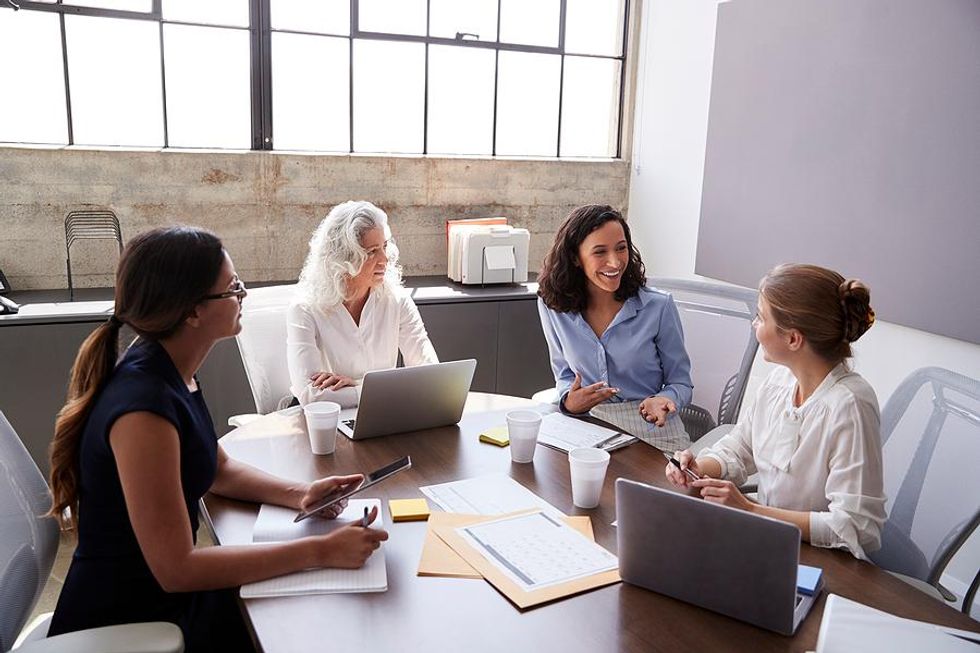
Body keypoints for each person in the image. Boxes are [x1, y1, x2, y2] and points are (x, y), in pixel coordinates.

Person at [47, 226, 388, 651]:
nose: (242, 294)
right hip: (132, 617)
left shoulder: (173, 371)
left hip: (165, 599)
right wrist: (319, 551)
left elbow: (216, 467)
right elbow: (178, 569)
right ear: (192, 311)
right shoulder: (143, 410)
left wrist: (301, 494)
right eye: (232, 288)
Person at [666, 263, 886, 560]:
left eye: (760, 317)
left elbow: (856, 526)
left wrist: (751, 510)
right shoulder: (779, 382)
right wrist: (698, 468)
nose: (754, 325)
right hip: (768, 540)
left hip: (820, 559)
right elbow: (741, 447)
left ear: (793, 339)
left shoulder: (850, 406)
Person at [536, 204, 693, 429]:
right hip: (587, 425)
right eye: (600, 252)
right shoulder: (552, 306)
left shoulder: (658, 307)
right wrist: (569, 402)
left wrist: (665, 398)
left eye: (621, 248)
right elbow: (564, 375)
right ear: (575, 258)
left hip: (648, 428)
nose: (615, 262)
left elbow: (681, 382)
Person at [287, 201, 438, 407]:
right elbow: (311, 396)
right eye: (372, 251)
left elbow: (431, 376)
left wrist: (358, 386)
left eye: (384, 247)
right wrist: (385, 390)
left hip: (383, 416)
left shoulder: (397, 300)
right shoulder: (305, 309)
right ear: (344, 257)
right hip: (326, 424)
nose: (384, 259)